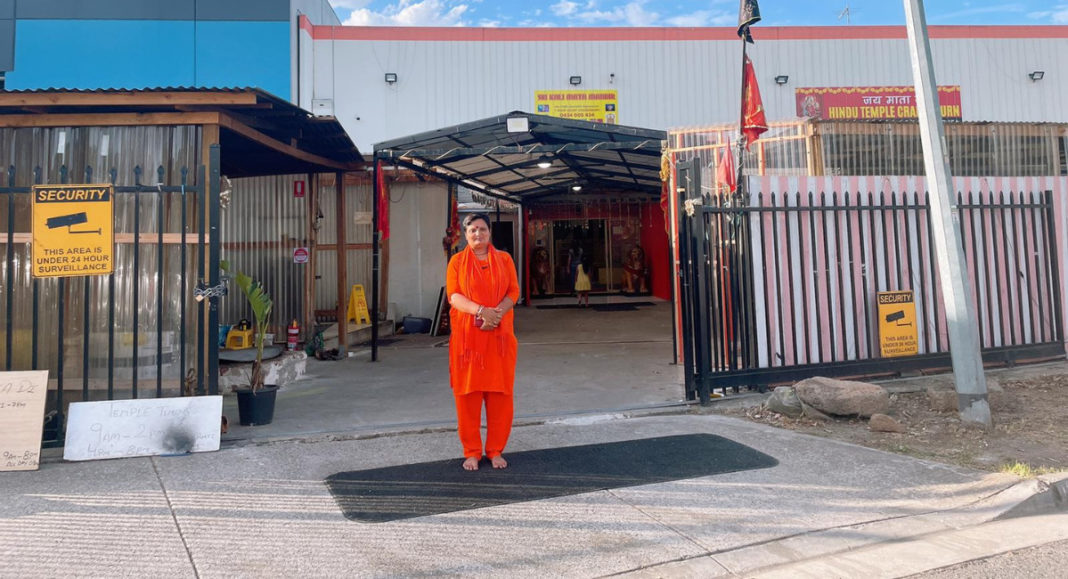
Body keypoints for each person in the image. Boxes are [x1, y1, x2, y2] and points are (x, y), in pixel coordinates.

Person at [446, 213, 520, 470]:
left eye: (482, 229)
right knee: (468, 397)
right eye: (473, 230)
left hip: (499, 338)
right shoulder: (456, 262)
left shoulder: (504, 259)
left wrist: (496, 313)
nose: (478, 234)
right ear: (466, 235)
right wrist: (481, 311)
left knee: (500, 396)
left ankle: (495, 450)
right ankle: (472, 451)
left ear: (490, 233)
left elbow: (514, 291)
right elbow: (454, 296)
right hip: (469, 344)